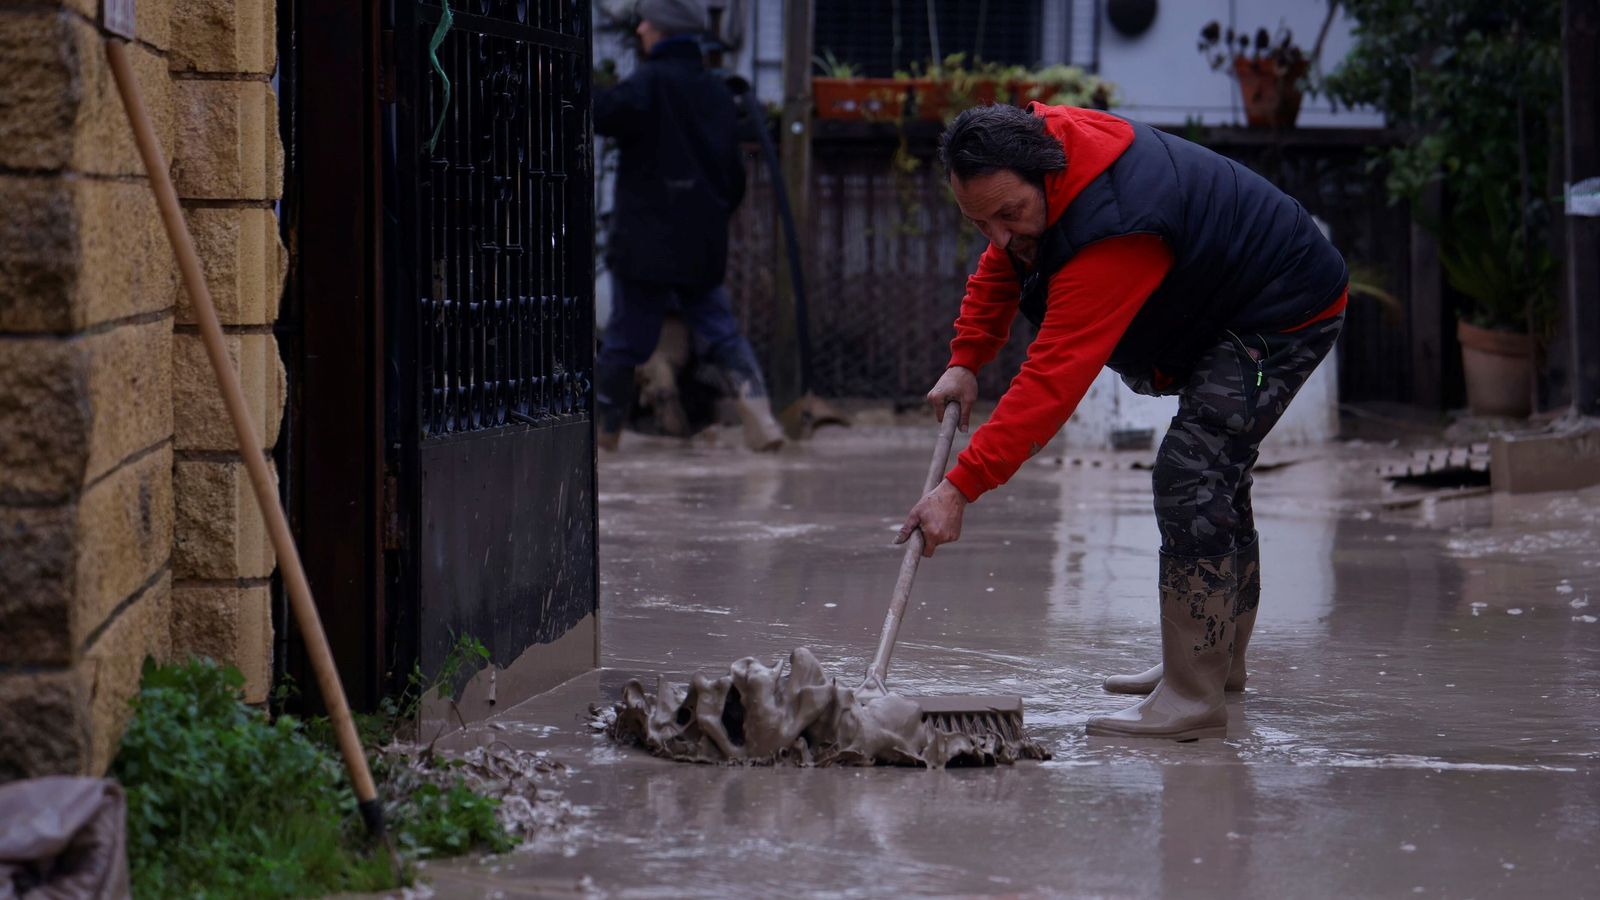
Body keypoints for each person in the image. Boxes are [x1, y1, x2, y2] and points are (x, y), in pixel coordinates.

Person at [896, 102, 1347, 741]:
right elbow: (1008, 260)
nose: (996, 235)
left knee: (1193, 470)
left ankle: (1194, 695)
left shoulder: (1116, 230)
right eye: (978, 221)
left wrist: (959, 487)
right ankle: (1215, 663)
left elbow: (1052, 381)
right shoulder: (1040, 174)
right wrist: (967, 359)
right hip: (1229, 300)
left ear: (1045, 179)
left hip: (1284, 309)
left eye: (1008, 215)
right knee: (1214, 469)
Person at [593, 0, 784, 452]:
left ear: (661, 30)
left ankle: (603, 439)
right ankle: (762, 419)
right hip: (700, 241)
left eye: (646, 21)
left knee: (624, 338)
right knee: (719, 328)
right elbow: (735, 177)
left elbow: (605, 114)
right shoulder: (716, 93)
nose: (639, 28)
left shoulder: (648, 83)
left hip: (645, 244)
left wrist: (563, 80)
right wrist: (710, 213)